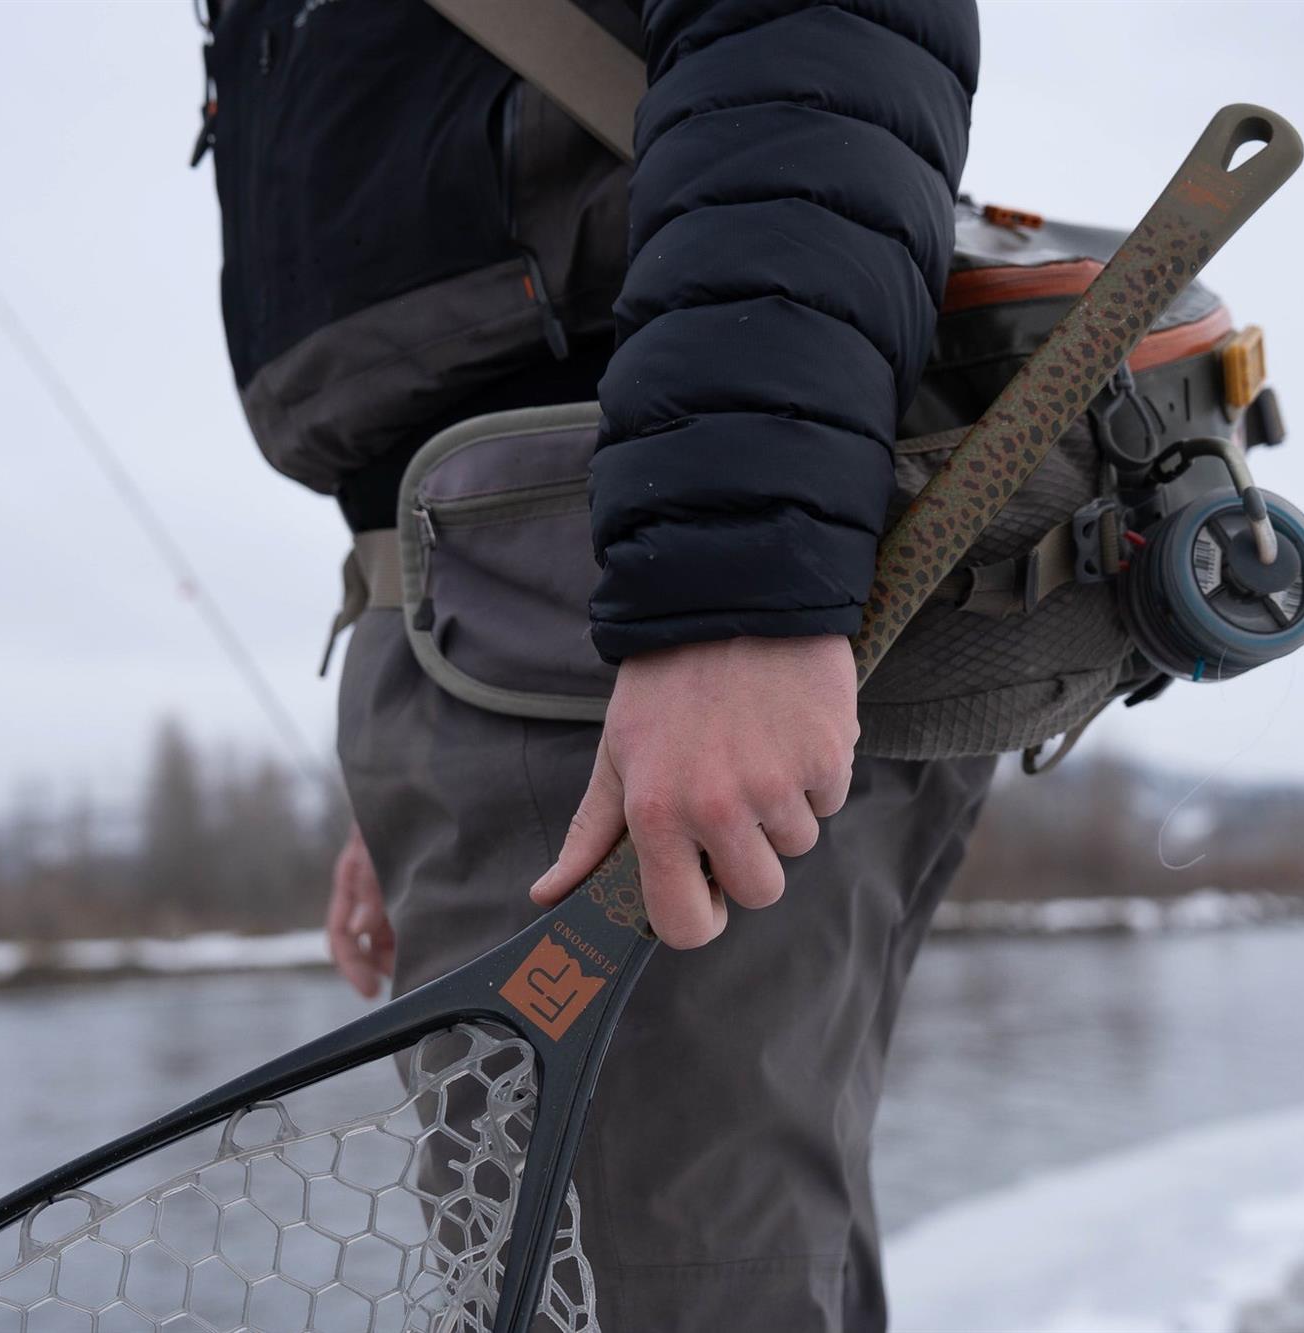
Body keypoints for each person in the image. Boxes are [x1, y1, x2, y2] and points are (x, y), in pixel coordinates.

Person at [202, 1, 984, 1326]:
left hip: (642, 594)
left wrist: (728, 597)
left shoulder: (701, 587)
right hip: (502, 637)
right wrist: (424, 713)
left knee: (645, 1298)